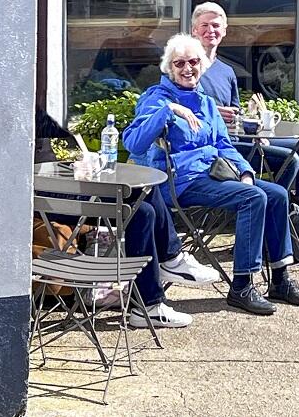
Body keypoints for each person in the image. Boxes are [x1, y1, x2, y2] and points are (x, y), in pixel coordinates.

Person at [123, 33, 299, 315]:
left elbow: (224, 145)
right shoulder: (156, 98)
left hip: (212, 175)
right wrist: (169, 110)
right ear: (169, 68)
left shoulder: (207, 103)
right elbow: (133, 142)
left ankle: (280, 278)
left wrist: (245, 171)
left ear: (203, 64)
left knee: (276, 193)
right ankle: (242, 286)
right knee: (253, 198)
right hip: (178, 182)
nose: (188, 68)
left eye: (194, 61)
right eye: (179, 63)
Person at [32, 105, 216, 329]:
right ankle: (155, 291)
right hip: (37, 196)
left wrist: (76, 142)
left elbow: (53, 125)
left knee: (145, 205)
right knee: (141, 205)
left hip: (52, 183)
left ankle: (160, 281)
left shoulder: (31, 109)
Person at [191, 1, 299, 216]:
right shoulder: (186, 66)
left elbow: (235, 119)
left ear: (224, 31)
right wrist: (212, 113)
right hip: (217, 148)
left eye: (216, 26)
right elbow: (176, 107)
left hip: (238, 139)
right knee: (289, 160)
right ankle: (272, 219)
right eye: (204, 25)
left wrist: (255, 129)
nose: (210, 31)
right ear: (194, 30)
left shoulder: (227, 71)